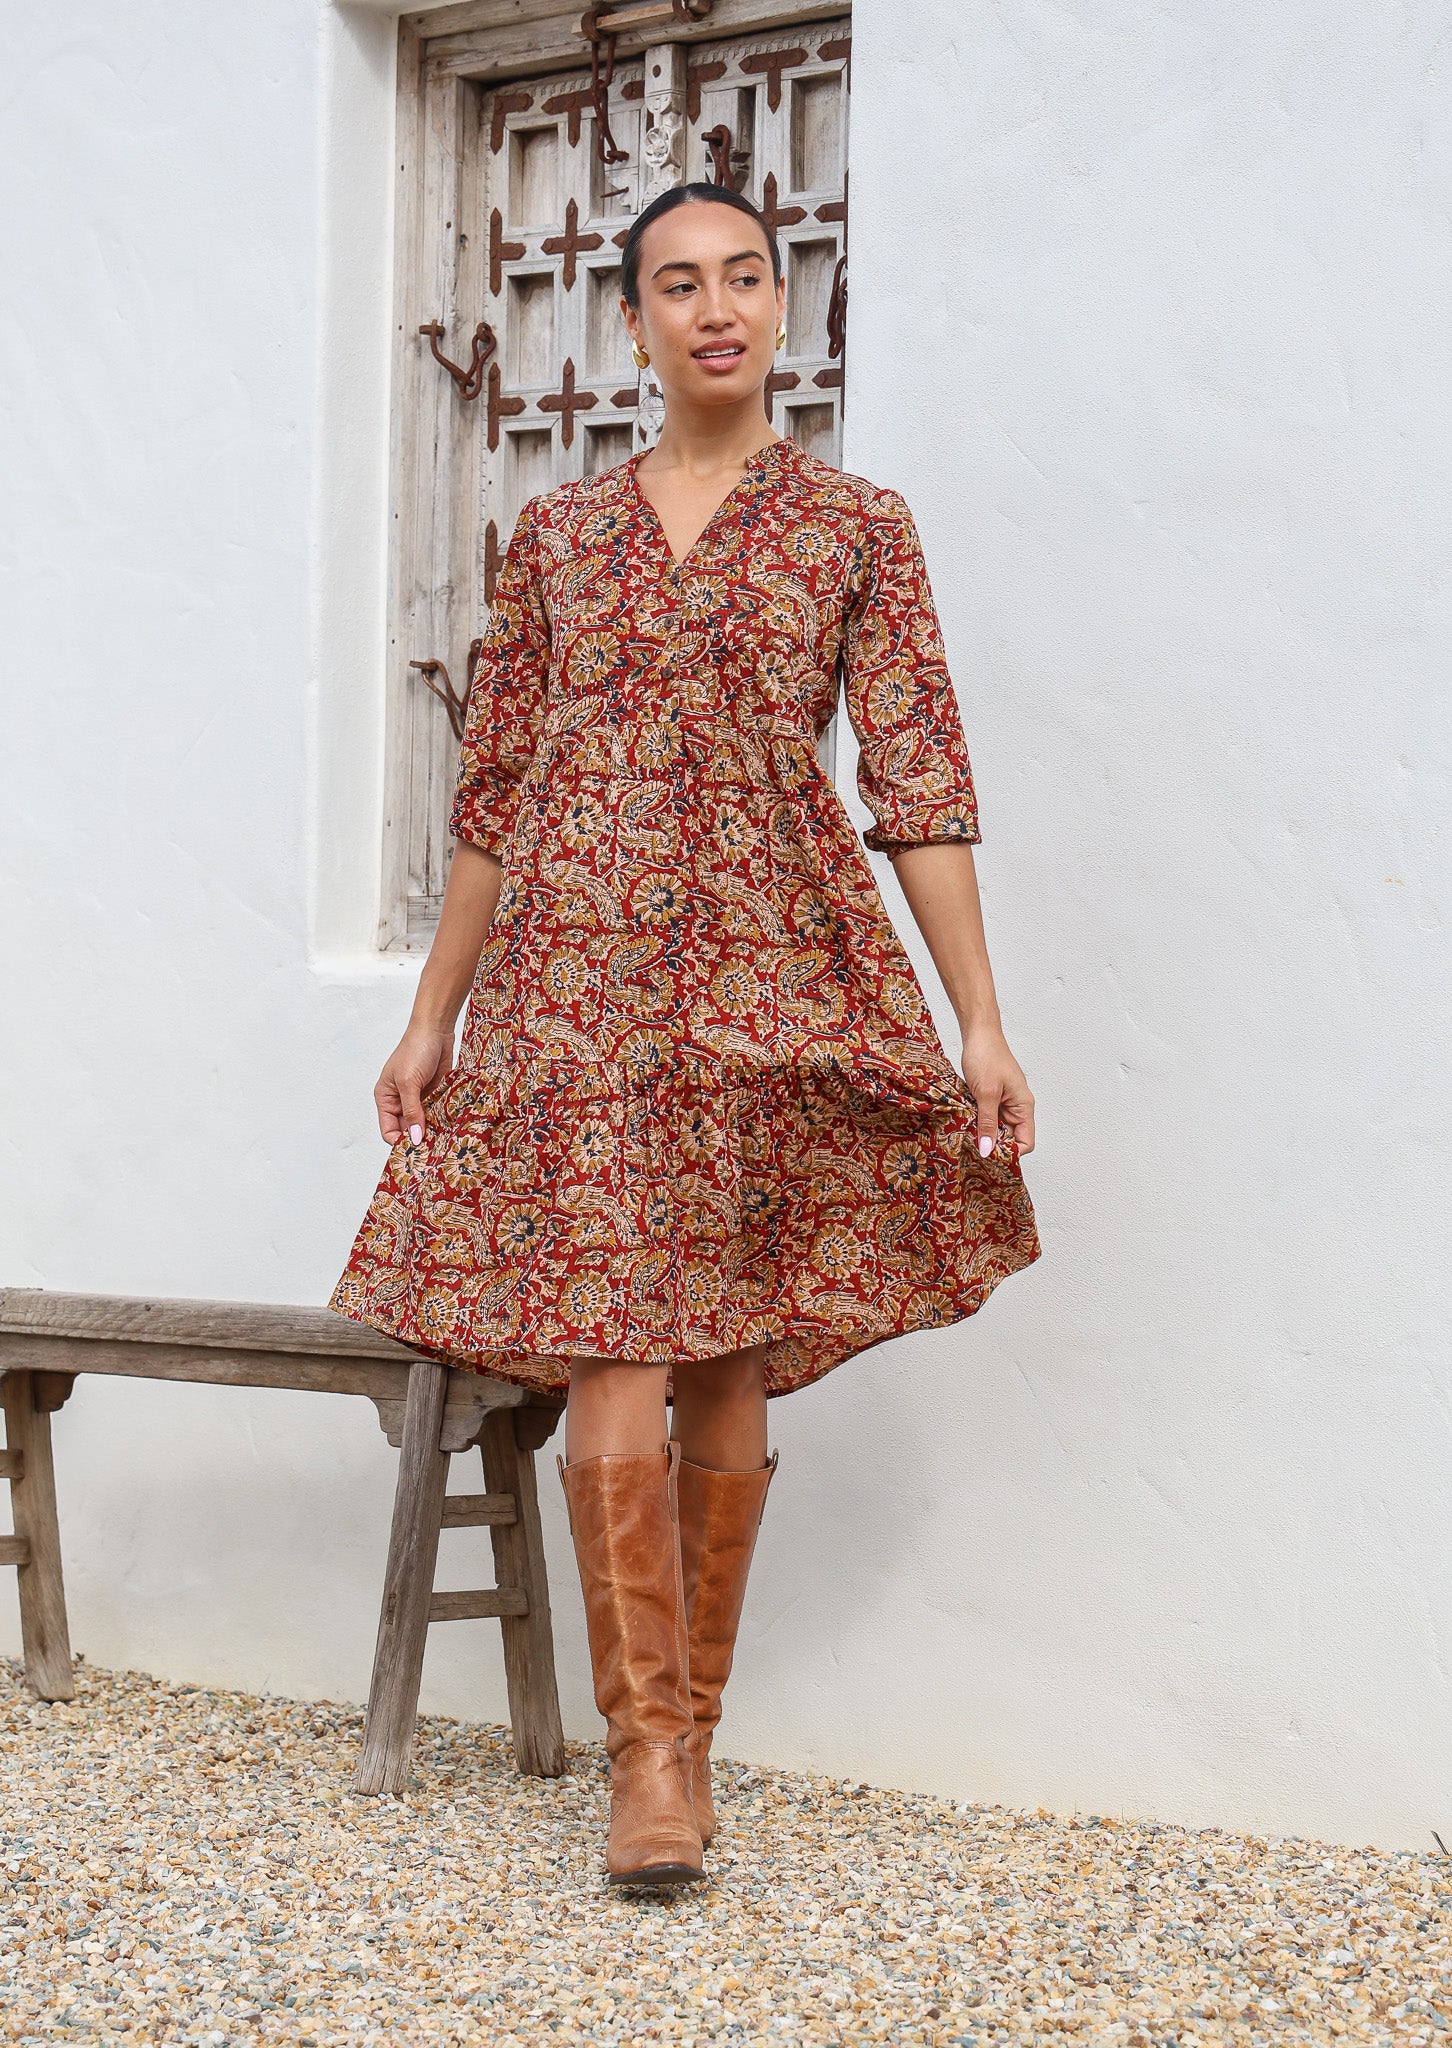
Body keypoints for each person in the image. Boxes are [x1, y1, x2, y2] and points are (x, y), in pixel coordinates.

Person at [330, 181, 1041, 1889]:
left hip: (771, 977)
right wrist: (433, 1016)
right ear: (634, 321)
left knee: (723, 1351)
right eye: (676, 284)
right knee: (615, 1348)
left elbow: (919, 781)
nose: (714, 308)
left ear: (783, 308)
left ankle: (687, 1740)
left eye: (743, 278)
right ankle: (646, 1758)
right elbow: (497, 794)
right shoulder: (558, 538)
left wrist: (981, 1020)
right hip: (578, 992)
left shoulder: (857, 526)